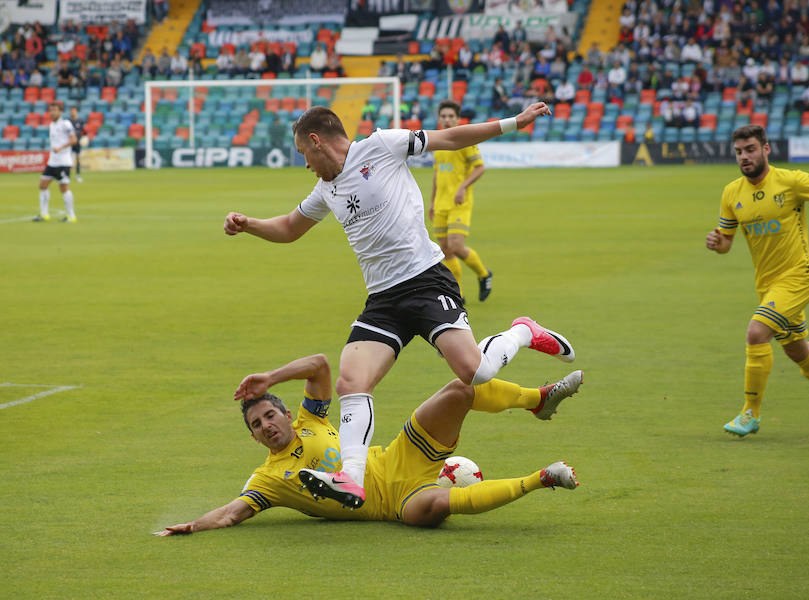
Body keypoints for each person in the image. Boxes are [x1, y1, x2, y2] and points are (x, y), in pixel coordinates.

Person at [223, 102, 568, 508]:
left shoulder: (382, 146)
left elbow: (451, 138)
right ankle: (349, 479)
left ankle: (523, 331)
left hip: (425, 280)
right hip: (383, 299)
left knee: (474, 371)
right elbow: (288, 228)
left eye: (303, 153)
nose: (305, 165)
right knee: (351, 382)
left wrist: (515, 122)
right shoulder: (325, 189)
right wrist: (250, 226)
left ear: (316, 141)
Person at [153, 352, 583, 536]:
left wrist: (270, 378)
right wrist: (193, 525)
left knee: (459, 389)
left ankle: (538, 400)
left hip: (399, 454)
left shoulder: (311, 417)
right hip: (395, 504)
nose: (266, 425)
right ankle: (543, 478)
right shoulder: (268, 480)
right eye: (256, 424)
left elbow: (320, 365)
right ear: (252, 437)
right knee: (434, 508)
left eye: (269, 415)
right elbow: (231, 513)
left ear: (286, 415)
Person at [705, 125, 809, 437]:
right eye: (739, 152)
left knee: (757, 332)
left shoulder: (792, 181)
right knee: (795, 348)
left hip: (799, 277)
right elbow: (726, 243)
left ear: (766, 149)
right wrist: (717, 243)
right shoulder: (731, 193)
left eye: (750, 149)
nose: (744, 157)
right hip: (767, 284)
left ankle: (749, 413)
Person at [428, 100, 492, 305]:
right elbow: (438, 174)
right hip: (440, 204)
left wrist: (463, 186)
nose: (447, 120)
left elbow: (479, 168)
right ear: (439, 119)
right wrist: (431, 202)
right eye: (443, 116)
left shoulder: (465, 141)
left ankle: (484, 274)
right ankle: (459, 294)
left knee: (456, 246)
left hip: (459, 202)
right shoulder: (437, 142)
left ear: (457, 119)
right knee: (445, 250)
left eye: (450, 116)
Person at [34, 101, 78, 223]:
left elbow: (74, 140)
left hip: (63, 162)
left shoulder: (66, 124)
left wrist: (60, 148)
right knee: (43, 185)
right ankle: (44, 214)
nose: (52, 113)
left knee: (63, 187)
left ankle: (71, 216)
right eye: (51, 110)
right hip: (52, 161)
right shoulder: (51, 125)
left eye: (55, 110)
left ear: (60, 111)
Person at [68, 105, 85, 183]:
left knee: (78, 159)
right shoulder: (67, 122)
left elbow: (83, 132)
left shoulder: (80, 121)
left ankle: (78, 175)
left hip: (77, 143)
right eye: (71, 111)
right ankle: (67, 175)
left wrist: (85, 138)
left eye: (74, 110)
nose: (72, 112)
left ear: (76, 112)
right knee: (68, 160)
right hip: (69, 143)